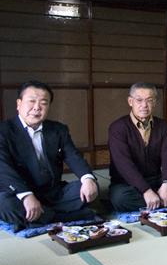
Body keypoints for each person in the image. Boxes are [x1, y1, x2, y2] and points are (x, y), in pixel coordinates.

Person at [0, 81, 98, 230]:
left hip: (52, 192)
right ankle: (65, 217)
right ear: (18, 104)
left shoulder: (58, 129)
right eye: (31, 101)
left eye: (43, 103)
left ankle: (42, 216)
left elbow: (73, 156)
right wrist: (26, 195)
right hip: (19, 192)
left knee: (90, 187)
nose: (37, 107)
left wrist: (87, 178)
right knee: (5, 205)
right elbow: (3, 168)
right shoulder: (4, 131)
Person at [108, 83, 167, 211]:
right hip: (128, 183)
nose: (144, 105)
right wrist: (146, 190)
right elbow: (123, 165)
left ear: (154, 102)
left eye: (149, 100)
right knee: (119, 199)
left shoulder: (162, 126)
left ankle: (155, 201)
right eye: (139, 100)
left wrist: (166, 184)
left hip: (155, 179)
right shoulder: (118, 128)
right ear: (130, 101)